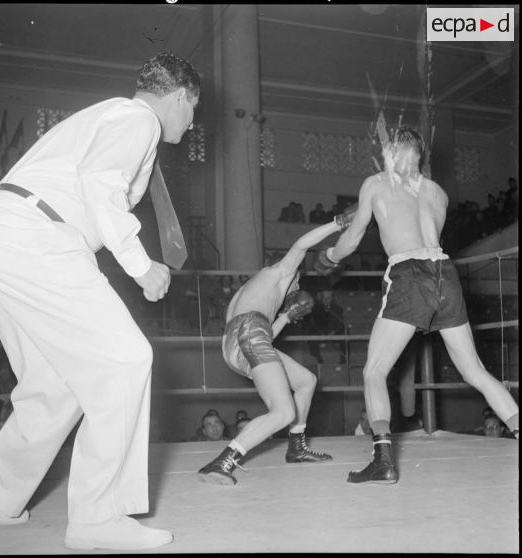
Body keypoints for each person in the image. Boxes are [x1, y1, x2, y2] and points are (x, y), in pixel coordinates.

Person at [0, 52, 200, 550]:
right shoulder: (138, 119)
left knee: (58, 382)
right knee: (125, 359)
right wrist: (140, 266)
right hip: (36, 237)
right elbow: (100, 186)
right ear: (179, 97)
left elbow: (92, 191)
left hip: (0, 236)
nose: (192, 121)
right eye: (193, 109)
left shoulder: (108, 116)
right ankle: (99, 516)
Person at [314, 126, 519, 485]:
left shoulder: (376, 183)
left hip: (409, 274)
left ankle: (382, 460)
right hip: (445, 274)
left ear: (395, 153)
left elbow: (352, 239)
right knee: (475, 371)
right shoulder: (438, 193)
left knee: (374, 371)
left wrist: (329, 257)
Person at [197, 215, 355, 485]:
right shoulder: (281, 273)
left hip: (242, 340)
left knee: (306, 381)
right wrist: (339, 223)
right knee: (283, 411)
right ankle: (222, 462)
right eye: (298, 285)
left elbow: (261, 338)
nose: (297, 290)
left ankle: (297, 446)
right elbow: (302, 244)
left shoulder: (254, 291)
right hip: (250, 333)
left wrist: (285, 317)